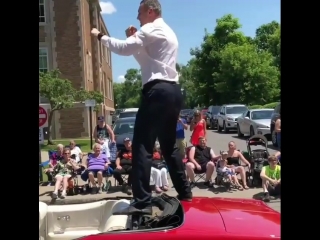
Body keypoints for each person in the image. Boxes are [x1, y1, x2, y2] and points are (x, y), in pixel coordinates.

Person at [91, 0, 191, 214]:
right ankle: (185, 192)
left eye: (139, 12)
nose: (137, 17)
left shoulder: (151, 27)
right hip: (172, 92)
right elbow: (146, 62)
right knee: (169, 145)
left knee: (142, 146)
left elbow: (124, 50)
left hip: (156, 92)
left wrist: (100, 36)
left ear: (150, 11)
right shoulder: (166, 31)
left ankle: (142, 202)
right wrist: (132, 38)